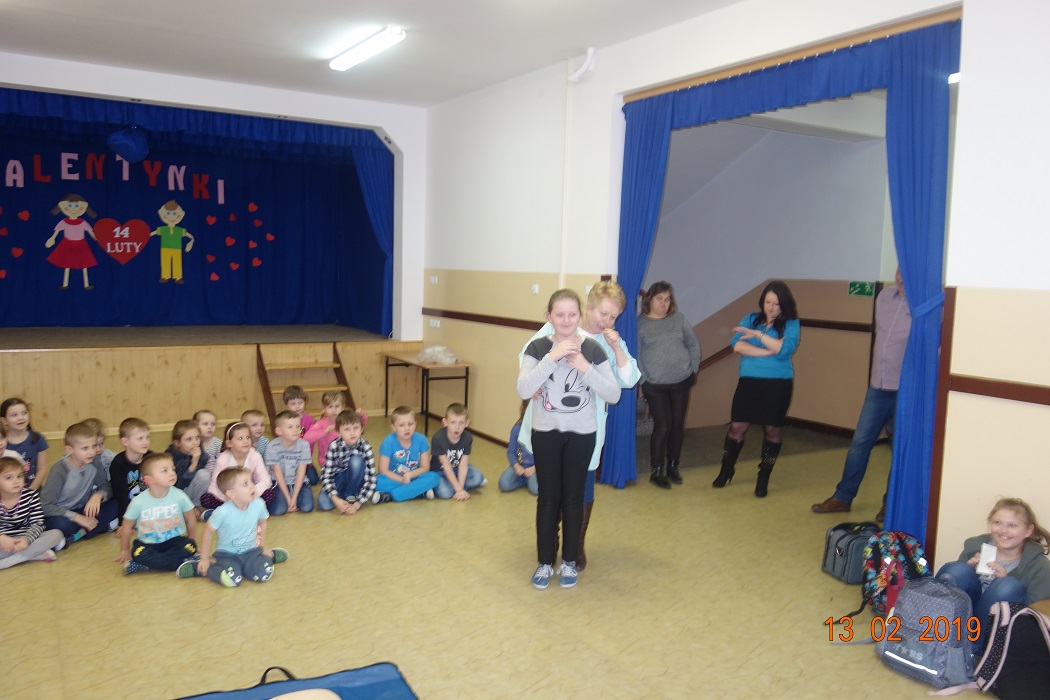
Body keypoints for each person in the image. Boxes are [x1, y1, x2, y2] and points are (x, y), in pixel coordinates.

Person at [518, 280, 640, 569]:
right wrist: (535, 383)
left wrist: (616, 347)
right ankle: (551, 545)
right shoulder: (561, 326)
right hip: (550, 421)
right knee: (551, 490)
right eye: (602, 313)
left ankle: (576, 545)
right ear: (589, 308)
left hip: (586, 424)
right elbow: (527, 360)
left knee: (582, 487)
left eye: (613, 317)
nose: (606, 321)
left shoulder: (607, 343)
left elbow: (629, 379)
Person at [812, 269, 910, 521]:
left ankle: (891, 504)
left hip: (906, 392)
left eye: (906, 272)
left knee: (899, 450)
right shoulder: (884, 297)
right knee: (859, 443)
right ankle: (843, 497)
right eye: (898, 271)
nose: (900, 277)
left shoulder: (926, 307)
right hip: (878, 386)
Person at [712, 280, 800, 498]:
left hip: (778, 385)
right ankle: (726, 469)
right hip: (749, 383)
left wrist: (759, 337)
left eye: (776, 304)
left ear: (784, 305)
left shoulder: (791, 324)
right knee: (737, 427)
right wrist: (769, 350)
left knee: (772, 430)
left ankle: (764, 475)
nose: (771, 308)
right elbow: (737, 345)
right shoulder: (750, 319)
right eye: (768, 302)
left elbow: (785, 349)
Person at [936, 497, 1050, 651]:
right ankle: (939, 636)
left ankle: (974, 650)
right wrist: (969, 569)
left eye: (1012, 525)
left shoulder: (1039, 565)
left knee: (1007, 585)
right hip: (964, 618)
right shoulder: (975, 548)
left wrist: (1006, 579)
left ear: (1028, 531)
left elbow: (1034, 612)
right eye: (997, 523)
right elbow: (957, 591)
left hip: (998, 626)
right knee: (958, 570)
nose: (1003, 530)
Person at [637, 281, 701, 488]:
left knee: (677, 425)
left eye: (667, 299)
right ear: (649, 300)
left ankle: (673, 466)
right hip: (655, 386)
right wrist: (644, 380)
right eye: (659, 299)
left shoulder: (678, 319)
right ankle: (657, 470)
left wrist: (693, 369)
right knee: (663, 426)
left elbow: (693, 343)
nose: (663, 304)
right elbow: (635, 356)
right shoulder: (640, 324)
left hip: (681, 382)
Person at [189, 467, 288, 587]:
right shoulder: (222, 512)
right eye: (245, 484)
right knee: (232, 580)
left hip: (251, 552)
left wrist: (261, 547)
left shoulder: (259, 504)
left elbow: (262, 523)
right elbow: (208, 532)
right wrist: (204, 558)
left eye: (251, 481)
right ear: (232, 494)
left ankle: (268, 557)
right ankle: (202, 568)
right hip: (227, 555)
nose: (252, 486)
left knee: (264, 574)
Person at [114, 453, 199, 575]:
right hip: (148, 545)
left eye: (173, 469)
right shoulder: (138, 502)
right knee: (138, 553)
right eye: (165, 471)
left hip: (175, 542)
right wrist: (125, 550)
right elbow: (127, 526)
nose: (172, 473)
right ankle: (182, 562)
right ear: (149, 479)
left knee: (190, 546)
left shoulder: (180, 496)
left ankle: (144, 565)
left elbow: (191, 519)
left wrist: (192, 540)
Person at [39, 422, 118, 547]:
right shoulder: (59, 469)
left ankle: (78, 534)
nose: (91, 452)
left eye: (93, 446)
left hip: (82, 509)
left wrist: (98, 495)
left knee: (115, 505)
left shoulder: (95, 461)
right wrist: (77, 517)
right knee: (60, 524)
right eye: (85, 448)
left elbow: (105, 485)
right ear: (69, 450)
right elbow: (46, 506)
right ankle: (96, 527)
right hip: (60, 514)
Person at [0, 457, 64, 570]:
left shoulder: (31, 495)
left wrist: (26, 540)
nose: (16, 481)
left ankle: (9, 561)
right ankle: (35, 554)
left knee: (57, 535)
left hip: (27, 538)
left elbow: (38, 524)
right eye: (9, 478)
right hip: (4, 542)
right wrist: (1, 538)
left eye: (19, 476)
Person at [201, 422, 274, 513]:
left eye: (248, 437)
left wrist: (252, 492)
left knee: (270, 494)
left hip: (249, 493)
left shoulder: (255, 456)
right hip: (231, 496)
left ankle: (233, 512)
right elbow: (214, 486)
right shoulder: (223, 459)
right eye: (240, 438)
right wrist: (229, 497)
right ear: (229, 443)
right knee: (206, 499)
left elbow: (266, 481)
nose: (246, 441)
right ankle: (242, 511)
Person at [374, 406, 440, 503]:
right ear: (394, 427)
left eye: (410, 424)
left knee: (434, 477)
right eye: (401, 425)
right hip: (394, 479)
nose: (407, 428)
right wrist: (402, 480)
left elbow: (425, 467)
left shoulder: (421, 439)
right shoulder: (388, 441)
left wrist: (409, 475)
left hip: (415, 477)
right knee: (375, 482)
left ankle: (391, 496)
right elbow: (383, 470)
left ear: (415, 424)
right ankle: (418, 492)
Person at [318, 410, 377, 514]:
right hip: (339, 479)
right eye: (347, 429)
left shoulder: (366, 447)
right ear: (338, 432)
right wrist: (335, 499)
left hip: (357, 480)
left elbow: (371, 478)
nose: (352, 433)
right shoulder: (334, 446)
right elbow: (326, 475)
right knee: (324, 504)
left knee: (356, 460)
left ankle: (352, 494)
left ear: (361, 429)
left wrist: (358, 504)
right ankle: (344, 495)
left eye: (356, 428)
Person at [431, 403, 486, 501]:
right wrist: (459, 489)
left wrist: (460, 488)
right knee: (445, 493)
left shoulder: (467, 437)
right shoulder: (438, 438)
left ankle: (455, 485)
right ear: (445, 422)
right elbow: (446, 466)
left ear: (467, 423)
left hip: (457, 468)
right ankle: (443, 486)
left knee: (478, 477)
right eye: (453, 422)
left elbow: (463, 464)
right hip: (440, 471)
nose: (457, 427)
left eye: (461, 423)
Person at [45, 193, 99, 290]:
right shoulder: (63, 222)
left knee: (84, 264)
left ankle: (86, 284)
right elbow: (56, 232)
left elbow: (91, 232)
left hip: (81, 244)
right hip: (67, 244)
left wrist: (98, 239)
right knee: (67, 263)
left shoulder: (83, 222)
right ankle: (65, 284)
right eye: (70, 205)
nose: (73, 209)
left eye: (77, 206)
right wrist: (52, 238)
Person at [264, 411, 314, 515]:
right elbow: (278, 474)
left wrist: (294, 498)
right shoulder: (272, 446)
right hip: (278, 483)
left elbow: (301, 473)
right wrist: (288, 499)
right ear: (279, 431)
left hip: (299, 482)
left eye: (298, 426)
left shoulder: (304, 445)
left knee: (307, 507)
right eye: (290, 427)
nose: (295, 430)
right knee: (278, 510)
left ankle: (295, 496)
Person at [1, 397, 50, 491]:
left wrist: (30, 491)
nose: (20, 418)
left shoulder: (38, 438)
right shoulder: (2, 443)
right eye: (14, 415)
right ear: (4, 420)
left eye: (24, 413)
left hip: (33, 489)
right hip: (7, 492)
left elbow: (42, 468)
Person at [109, 417, 153, 522]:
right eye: (140, 438)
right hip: (127, 502)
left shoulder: (151, 458)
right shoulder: (118, 464)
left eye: (147, 437)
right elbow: (121, 495)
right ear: (125, 441)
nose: (145, 442)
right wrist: (123, 522)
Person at [165, 419, 214, 507]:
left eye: (197, 437)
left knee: (204, 474)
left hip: (190, 492)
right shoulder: (170, 457)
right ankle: (185, 507)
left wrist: (197, 460)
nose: (195, 442)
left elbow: (199, 480)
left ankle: (195, 506)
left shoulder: (200, 453)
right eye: (189, 439)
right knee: (203, 475)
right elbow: (179, 484)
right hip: (175, 493)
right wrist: (194, 463)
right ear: (177, 443)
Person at [499, 400, 538, 496]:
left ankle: (530, 479)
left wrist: (533, 469)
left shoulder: (543, 431)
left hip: (537, 467)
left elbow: (547, 456)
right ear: (523, 409)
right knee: (504, 484)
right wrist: (516, 466)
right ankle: (526, 480)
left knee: (536, 489)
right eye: (529, 410)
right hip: (520, 465)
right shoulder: (517, 429)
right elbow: (511, 452)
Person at [150, 199, 195, 283]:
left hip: (176, 249)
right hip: (165, 248)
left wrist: (191, 240)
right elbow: (154, 233)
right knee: (165, 262)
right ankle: (165, 276)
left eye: (174, 214)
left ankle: (177, 277)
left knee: (177, 262)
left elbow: (188, 235)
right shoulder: (163, 229)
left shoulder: (179, 230)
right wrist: (146, 236)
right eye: (168, 213)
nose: (171, 217)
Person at [282, 385, 318, 484]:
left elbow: (312, 438)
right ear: (286, 404)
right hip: (289, 459)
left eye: (300, 403)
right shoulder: (284, 420)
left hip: (305, 459)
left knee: (313, 480)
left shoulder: (309, 419)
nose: (297, 406)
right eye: (293, 404)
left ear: (305, 402)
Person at [304, 390, 345, 472]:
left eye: (337, 406)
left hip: (344, 458)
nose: (334, 410)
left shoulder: (345, 420)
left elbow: (360, 425)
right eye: (330, 407)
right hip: (327, 461)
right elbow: (307, 438)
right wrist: (325, 432)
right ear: (324, 408)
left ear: (343, 407)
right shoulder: (321, 423)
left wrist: (362, 415)